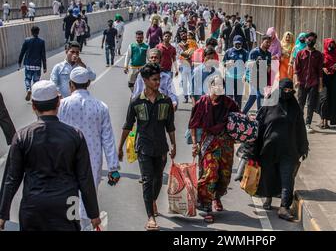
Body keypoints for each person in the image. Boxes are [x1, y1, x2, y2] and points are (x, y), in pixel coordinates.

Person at [0, 81, 101, 231]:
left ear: (33, 106)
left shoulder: (22, 136)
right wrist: (94, 214)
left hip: (33, 205)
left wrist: (2, 214)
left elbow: (11, 178)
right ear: (58, 102)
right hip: (68, 204)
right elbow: (85, 178)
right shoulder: (75, 135)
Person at [58, 67, 120, 229]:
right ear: (88, 83)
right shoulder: (100, 107)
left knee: (68, 198)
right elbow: (108, 139)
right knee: (88, 198)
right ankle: (85, 225)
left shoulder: (62, 105)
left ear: (71, 85)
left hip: (66, 160)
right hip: (92, 162)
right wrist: (113, 168)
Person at [118, 64, 177, 231]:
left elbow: (170, 126)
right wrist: (120, 147)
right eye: (154, 79)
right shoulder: (136, 102)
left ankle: (152, 201)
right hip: (143, 147)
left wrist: (174, 145)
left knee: (158, 179)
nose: (158, 82)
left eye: (159, 79)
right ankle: (150, 217)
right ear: (145, 81)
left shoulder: (165, 101)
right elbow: (128, 125)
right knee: (147, 180)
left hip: (161, 148)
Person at [255, 78, 309, 220]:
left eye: (289, 91)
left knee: (287, 178)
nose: (287, 93)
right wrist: (253, 146)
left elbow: (300, 128)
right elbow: (259, 125)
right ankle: (268, 198)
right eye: (284, 90)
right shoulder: (269, 103)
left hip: (289, 149)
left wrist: (303, 147)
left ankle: (284, 207)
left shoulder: (294, 106)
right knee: (269, 175)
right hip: (269, 149)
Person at [190, 76, 240, 223]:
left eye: (221, 86)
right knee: (210, 173)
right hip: (209, 143)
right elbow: (193, 124)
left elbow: (238, 120)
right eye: (215, 86)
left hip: (226, 144)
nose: (218, 89)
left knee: (224, 176)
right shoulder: (202, 103)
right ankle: (206, 206)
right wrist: (194, 144)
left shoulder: (229, 103)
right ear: (210, 87)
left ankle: (216, 197)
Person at [294, 32, 323, 133]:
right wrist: (297, 80)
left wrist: (320, 84)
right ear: (306, 40)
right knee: (300, 103)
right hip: (302, 82)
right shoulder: (300, 53)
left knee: (311, 104)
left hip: (313, 82)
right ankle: (299, 123)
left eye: (313, 40)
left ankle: (308, 124)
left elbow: (320, 71)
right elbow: (297, 68)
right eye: (309, 40)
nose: (311, 41)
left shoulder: (319, 55)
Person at [318, 38, 336, 129]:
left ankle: (327, 121)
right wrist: (323, 69)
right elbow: (317, 68)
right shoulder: (322, 56)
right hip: (324, 81)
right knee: (324, 99)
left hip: (334, 82)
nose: (331, 47)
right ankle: (322, 119)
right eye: (329, 45)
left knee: (331, 100)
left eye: (333, 45)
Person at [243, 35, 272, 115]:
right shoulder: (254, 52)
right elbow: (248, 64)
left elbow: (268, 68)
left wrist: (268, 67)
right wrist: (255, 62)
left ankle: (243, 113)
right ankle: (260, 116)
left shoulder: (269, 54)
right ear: (262, 42)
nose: (268, 44)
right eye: (267, 42)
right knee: (259, 96)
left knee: (252, 98)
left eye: (270, 43)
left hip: (263, 79)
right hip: (254, 78)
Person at [18, 26, 47, 102]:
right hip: (37, 65)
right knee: (36, 81)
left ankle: (28, 89)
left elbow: (22, 52)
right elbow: (43, 55)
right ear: (38, 32)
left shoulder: (27, 40)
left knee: (27, 79)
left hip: (28, 64)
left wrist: (19, 62)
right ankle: (34, 95)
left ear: (31, 32)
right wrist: (44, 67)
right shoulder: (41, 41)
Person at [223, 36, 249, 109]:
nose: (238, 45)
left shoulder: (245, 53)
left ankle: (237, 112)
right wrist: (227, 64)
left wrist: (245, 76)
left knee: (238, 97)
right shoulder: (228, 52)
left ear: (242, 44)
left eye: (239, 44)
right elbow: (223, 63)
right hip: (229, 77)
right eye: (236, 43)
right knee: (228, 96)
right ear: (233, 43)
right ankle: (227, 112)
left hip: (240, 78)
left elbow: (248, 65)